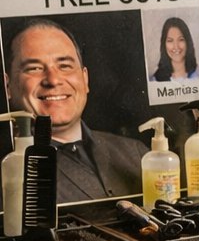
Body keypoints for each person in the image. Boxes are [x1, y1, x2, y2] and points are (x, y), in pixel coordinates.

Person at [5, 19, 147, 203]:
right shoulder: (9, 170)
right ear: (7, 86)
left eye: (64, 66)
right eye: (34, 68)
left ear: (85, 79)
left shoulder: (135, 152)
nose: (53, 80)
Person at [150, 16, 199, 81]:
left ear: (187, 42)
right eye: (170, 41)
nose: (176, 46)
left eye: (181, 39)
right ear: (164, 44)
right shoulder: (154, 80)